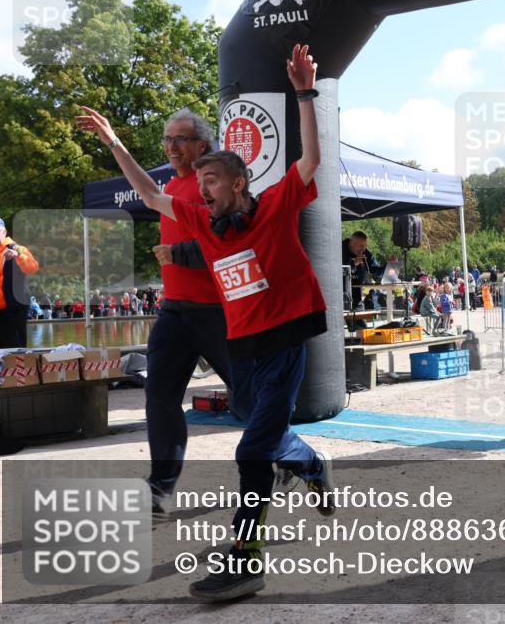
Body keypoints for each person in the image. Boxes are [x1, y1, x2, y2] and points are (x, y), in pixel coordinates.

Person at [77, 44, 335, 602]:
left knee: (251, 449)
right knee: (249, 423)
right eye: (200, 184)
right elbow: (150, 194)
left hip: (283, 344)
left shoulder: (275, 206)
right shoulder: (200, 219)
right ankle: (310, 464)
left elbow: (312, 160)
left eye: (211, 181)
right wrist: (115, 142)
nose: (201, 190)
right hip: (241, 343)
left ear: (237, 183)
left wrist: (305, 94)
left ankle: (246, 559)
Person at [78, 106, 238, 520]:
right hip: (175, 311)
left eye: (180, 139)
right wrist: (114, 142)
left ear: (202, 144)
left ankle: (298, 460)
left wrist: (180, 253)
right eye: (167, 139)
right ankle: (161, 487)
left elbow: (229, 240)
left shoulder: (212, 185)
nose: (171, 146)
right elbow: (147, 191)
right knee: (159, 396)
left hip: (217, 311)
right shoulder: (174, 183)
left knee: (254, 400)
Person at [0, 217, 40, 348]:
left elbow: (32, 268)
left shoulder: (17, 248)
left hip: (11, 312)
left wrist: (17, 256)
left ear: (4, 232)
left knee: (14, 353)